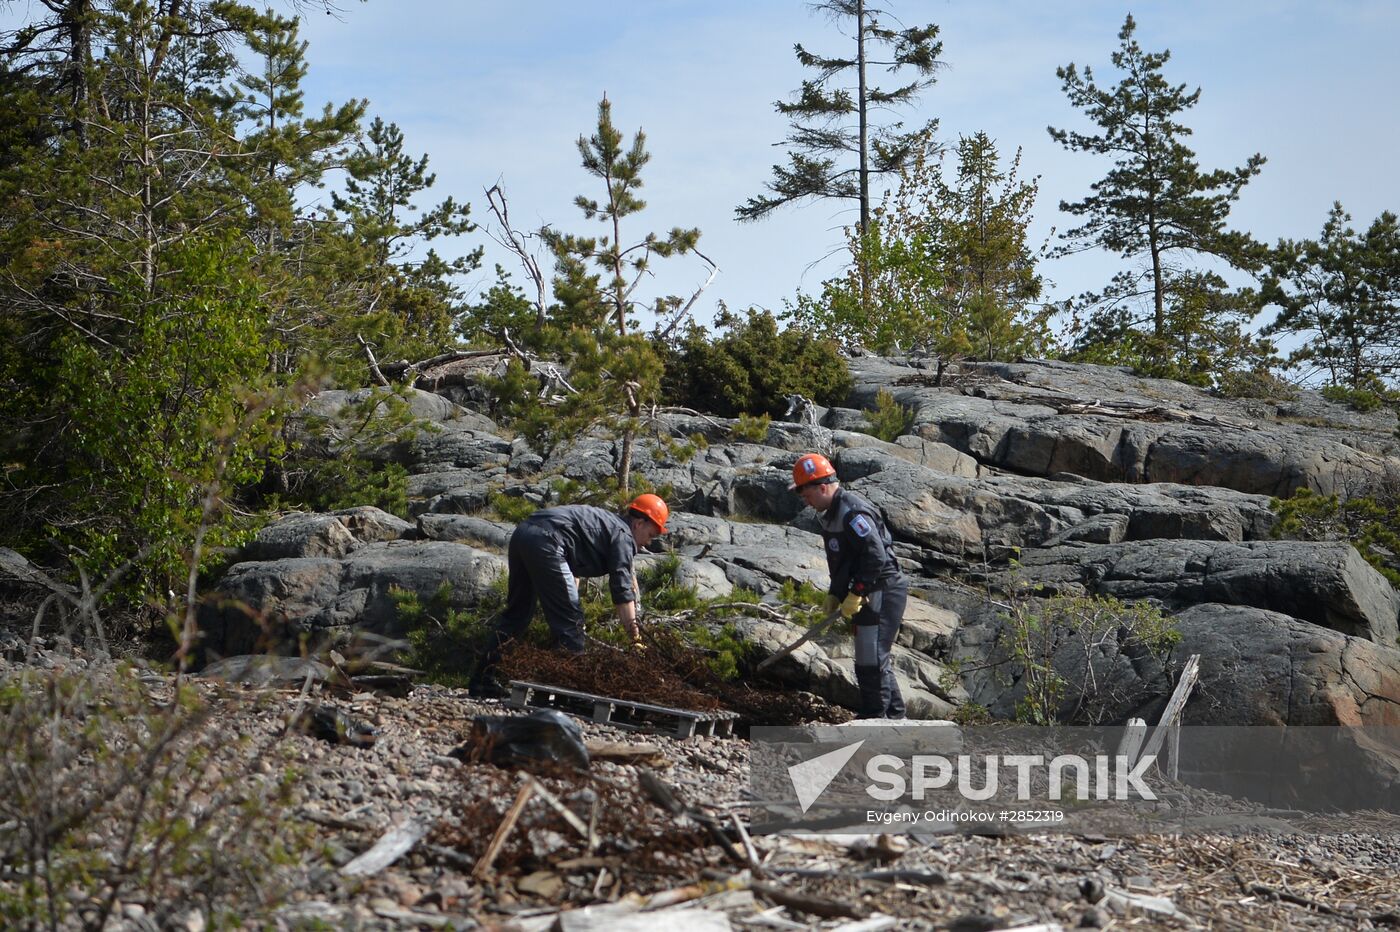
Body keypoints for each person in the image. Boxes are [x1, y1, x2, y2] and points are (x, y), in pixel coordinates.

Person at [469, 493, 669, 697]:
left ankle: (482, 682)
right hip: (547, 542)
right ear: (638, 523)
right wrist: (634, 638)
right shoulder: (623, 535)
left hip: (524, 534)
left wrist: (568, 603)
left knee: (517, 615)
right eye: (651, 535)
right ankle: (564, 693)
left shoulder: (607, 524)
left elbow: (571, 564)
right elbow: (622, 590)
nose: (647, 544)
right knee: (571, 625)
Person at [790, 452, 907, 719]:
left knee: (872, 656)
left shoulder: (852, 512)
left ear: (822, 487)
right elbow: (843, 561)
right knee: (871, 657)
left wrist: (857, 592)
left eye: (807, 495)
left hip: (882, 588)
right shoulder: (830, 513)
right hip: (865, 590)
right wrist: (835, 593)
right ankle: (893, 715)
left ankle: (877, 717)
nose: (806, 502)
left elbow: (875, 556)